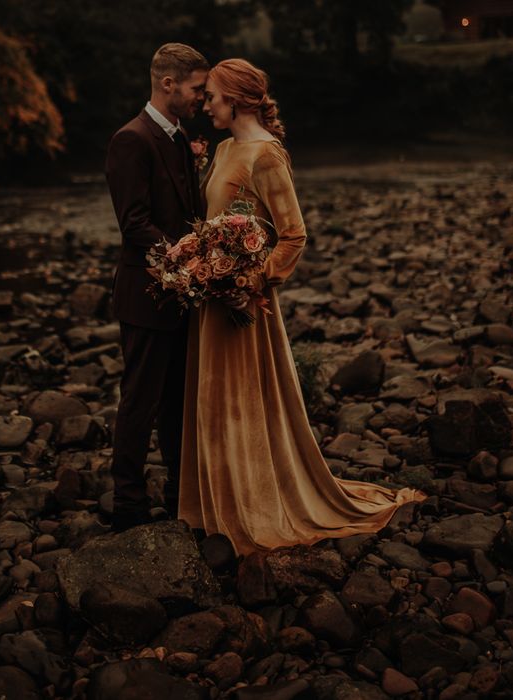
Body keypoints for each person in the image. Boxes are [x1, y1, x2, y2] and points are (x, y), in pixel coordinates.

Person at [178, 59, 426, 555]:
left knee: (244, 401)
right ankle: (215, 505)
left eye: (212, 97)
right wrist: (195, 260)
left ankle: (255, 505)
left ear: (237, 99)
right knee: (212, 400)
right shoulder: (224, 148)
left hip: (244, 300)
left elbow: (293, 236)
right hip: (212, 296)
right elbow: (214, 221)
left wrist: (250, 277)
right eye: (204, 98)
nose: (205, 106)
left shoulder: (266, 156)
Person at [105, 43, 209, 531]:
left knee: (176, 402)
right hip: (146, 295)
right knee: (139, 402)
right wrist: (192, 257)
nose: (201, 98)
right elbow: (135, 225)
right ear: (168, 84)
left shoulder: (179, 136)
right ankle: (127, 504)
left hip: (180, 294)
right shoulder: (132, 139)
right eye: (195, 89)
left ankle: (177, 494)